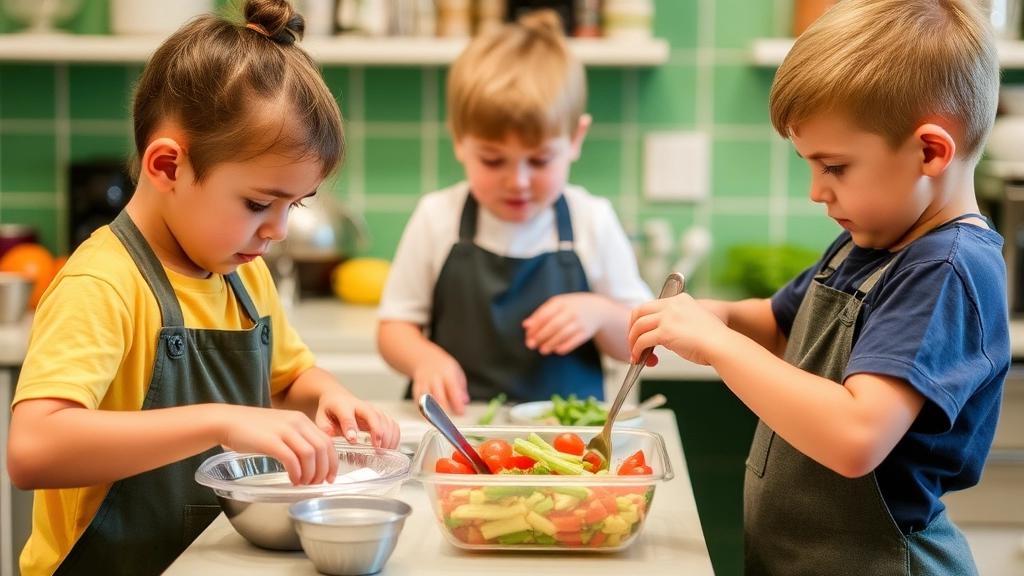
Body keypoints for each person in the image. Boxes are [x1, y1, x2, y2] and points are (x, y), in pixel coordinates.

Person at [5, 2, 399, 575]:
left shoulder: (243, 274)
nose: (278, 230)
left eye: (294, 205)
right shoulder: (103, 283)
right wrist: (220, 420)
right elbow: (33, 450)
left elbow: (287, 384)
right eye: (259, 203)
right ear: (167, 166)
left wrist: (329, 398)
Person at [626, 1, 1007, 574]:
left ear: (931, 151)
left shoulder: (945, 268)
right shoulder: (873, 241)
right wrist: (717, 316)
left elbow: (856, 436)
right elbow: (784, 327)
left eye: (834, 167)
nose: (815, 191)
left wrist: (717, 345)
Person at [376, 9, 652, 415]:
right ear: (459, 141)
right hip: (459, 431)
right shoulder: (438, 217)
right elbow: (393, 329)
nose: (517, 181)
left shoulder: (592, 220)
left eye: (539, 161)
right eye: (492, 160)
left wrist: (601, 314)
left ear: (576, 139)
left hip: (567, 443)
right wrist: (423, 359)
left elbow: (637, 343)